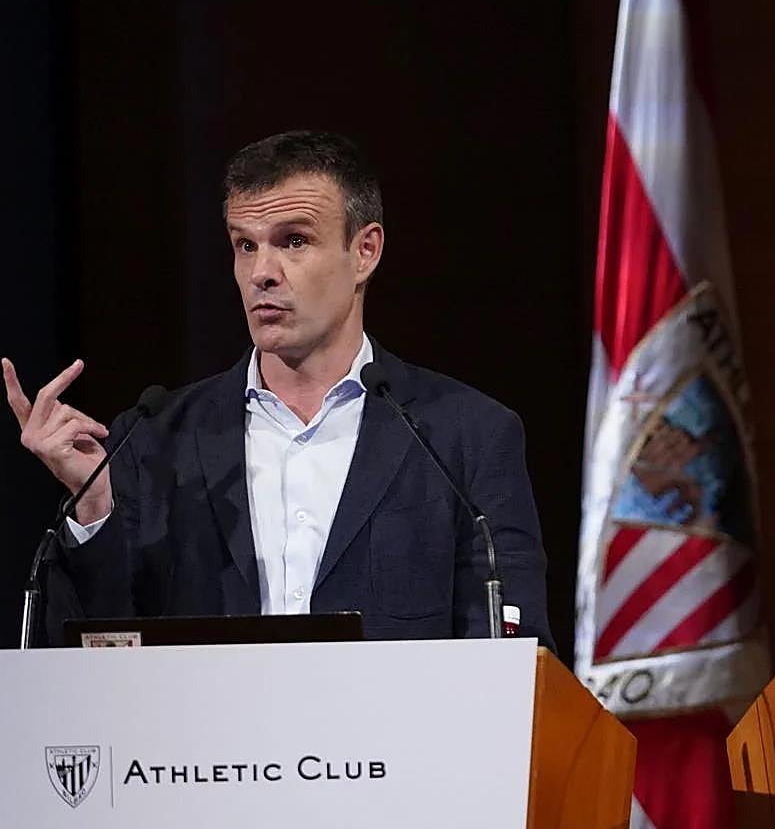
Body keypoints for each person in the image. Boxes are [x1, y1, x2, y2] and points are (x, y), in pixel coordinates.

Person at [3, 130, 553, 648]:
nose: (261, 272)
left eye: (293, 240)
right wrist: (95, 507)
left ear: (365, 252)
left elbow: (516, 664)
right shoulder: (152, 438)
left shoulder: (465, 437)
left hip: (394, 748)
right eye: (245, 246)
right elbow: (99, 656)